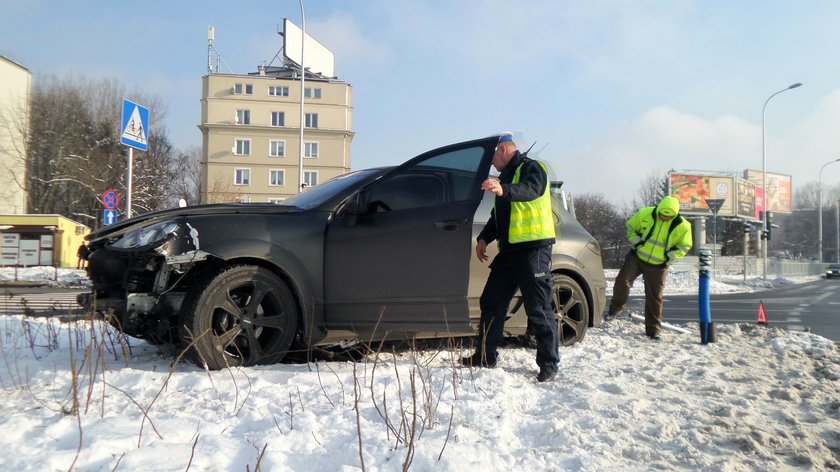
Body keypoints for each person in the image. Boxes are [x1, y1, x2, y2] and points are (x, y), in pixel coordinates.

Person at [462, 134, 559, 382]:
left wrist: (504, 189)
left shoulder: (533, 169)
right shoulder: (504, 177)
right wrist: (484, 238)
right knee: (491, 301)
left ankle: (549, 363)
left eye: (493, 155)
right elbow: (499, 215)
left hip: (534, 250)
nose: (492, 162)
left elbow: (531, 190)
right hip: (510, 251)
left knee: (538, 308)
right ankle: (486, 355)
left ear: (504, 149)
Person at [606, 195, 693, 339]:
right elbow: (631, 227)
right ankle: (615, 309)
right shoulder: (645, 213)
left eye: (668, 217)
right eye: (662, 215)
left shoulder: (683, 226)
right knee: (622, 281)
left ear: (675, 215)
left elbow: (685, 246)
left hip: (658, 265)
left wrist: (670, 257)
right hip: (637, 257)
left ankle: (653, 330)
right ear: (658, 210)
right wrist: (637, 242)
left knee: (655, 297)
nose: (664, 218)